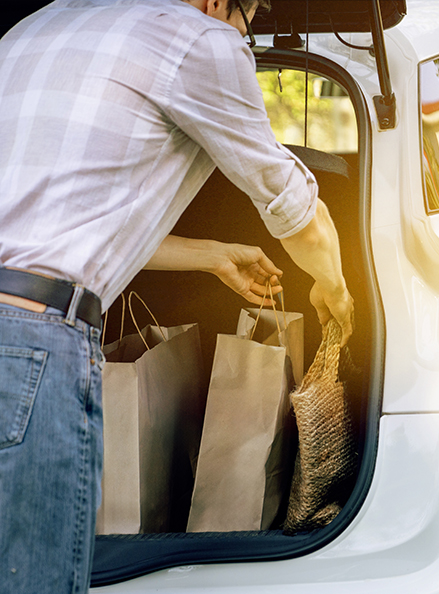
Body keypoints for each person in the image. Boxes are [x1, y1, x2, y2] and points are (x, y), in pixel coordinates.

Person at [0, 0, 353, 592]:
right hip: (30, 349)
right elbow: (297, 212)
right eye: (252, 16)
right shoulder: (201, 42)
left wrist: (211, 254)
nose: (246, 33)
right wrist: (336, 291)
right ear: (219, 2)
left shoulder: (31, 28)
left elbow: (61, 223)